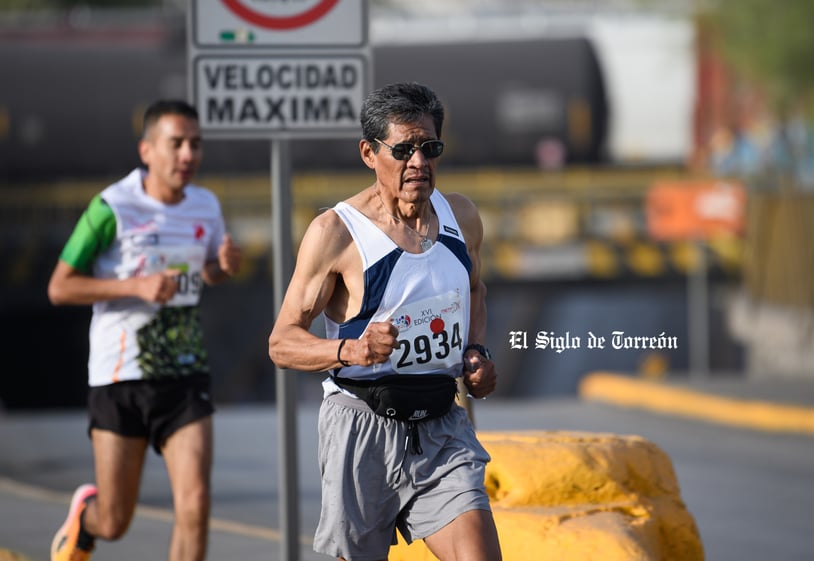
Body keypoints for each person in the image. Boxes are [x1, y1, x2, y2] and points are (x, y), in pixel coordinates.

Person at [268, 82, 502, 561]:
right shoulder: (336, 233)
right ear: (369, 153)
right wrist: (349, 350)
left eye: (430, 147)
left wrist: (476, 352)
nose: (419, 162)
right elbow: (281, 342)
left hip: (441, 428)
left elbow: (475, 289)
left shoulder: (461, 217)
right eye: (404, 150)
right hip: (362, 431)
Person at [47, 99, 241, 561]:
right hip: (121, 378)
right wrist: (136, 284)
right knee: (115, 520)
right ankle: (86, 518)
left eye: (195, 144)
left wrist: (222, 267)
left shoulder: (205, 205)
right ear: (147, 150)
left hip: (185, 376)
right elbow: (59, 287)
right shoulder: (111, 208)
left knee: (194, 505)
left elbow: (206, 271)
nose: (187, 155)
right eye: (176, 144)